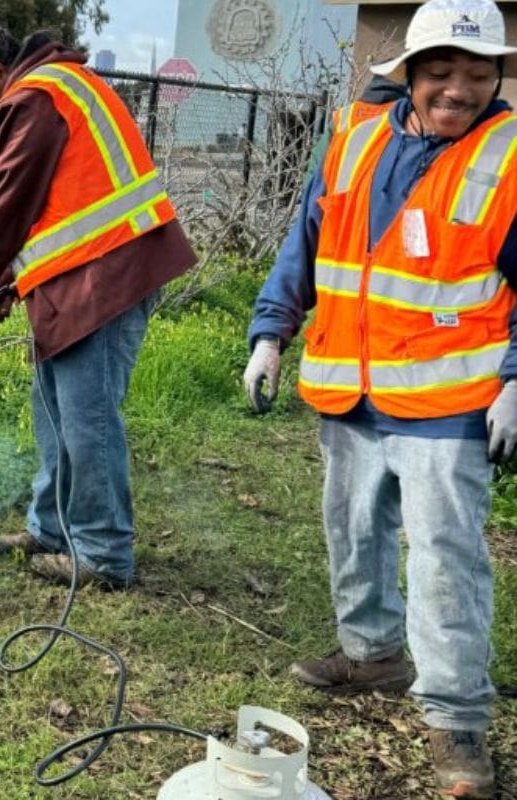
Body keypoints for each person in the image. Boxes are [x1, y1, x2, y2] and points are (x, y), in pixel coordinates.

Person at [242, 1, 517, 796]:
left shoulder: (509, 159)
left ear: (495, 77)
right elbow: (307, 240)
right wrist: (271, 331)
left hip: (450, 404)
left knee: (444, 561)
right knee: (353, 533)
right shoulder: (358, 139)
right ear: (411, 76)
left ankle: (457, 718)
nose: (458, 90)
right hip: (351, 389)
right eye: (442, 73)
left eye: (476, 74)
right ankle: (371, 657)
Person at [0, 26, 196, 589]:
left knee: (87, 424)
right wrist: (9, 285)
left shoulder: (34, 97)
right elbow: (61, 214)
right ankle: (52, 531)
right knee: (55, 415)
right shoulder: (64, 85)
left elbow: (8, 203)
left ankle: (105, 554)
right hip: (87, 274)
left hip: (107, 277)